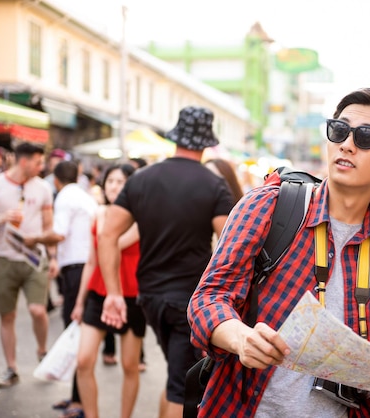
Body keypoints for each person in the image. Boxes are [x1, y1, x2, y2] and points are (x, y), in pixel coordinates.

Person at [187, 88, 370, 417]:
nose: (347, 144)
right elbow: (209, 298)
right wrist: (240, 337)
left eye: (366, 137)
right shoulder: (269, 207)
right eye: (339, 130)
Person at [99, 106, 235, 418]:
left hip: (149, 298)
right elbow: (229, 246)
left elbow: (107, 236)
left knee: (177, 373)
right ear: (206, 143)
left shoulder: (141, 179)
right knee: (181, 386)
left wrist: (114, 294)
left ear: (176, 137)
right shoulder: (214, 186)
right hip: (188, 303)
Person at [23, 160, 98, 417]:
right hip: (81, 267)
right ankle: (76, 398)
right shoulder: (84, 196)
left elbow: (59, 233)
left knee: (75, 332)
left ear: (55, 180)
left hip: (77, 270)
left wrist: (34, 239)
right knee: (76, 332)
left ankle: (79, 402)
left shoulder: (65, 197)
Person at [71, 163, 145, 418]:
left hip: (132, 297)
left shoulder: (139, 218)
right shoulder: (98, 213)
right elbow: (92, 261)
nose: (114, 186)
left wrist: (106, 215)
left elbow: (110, 242)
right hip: (98, 294)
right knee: (83, 361)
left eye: (121, 182)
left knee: (130, 366)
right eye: (111, 181)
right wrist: (79, 302)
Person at [0, 142, 54, 388]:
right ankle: (11, 368)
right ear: (23, 161)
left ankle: (43, 351)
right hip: (4, 258)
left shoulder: (43, 188)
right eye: (38, 162)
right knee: (7, 315)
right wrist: (1, 219)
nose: (42, 166)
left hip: (35, 258)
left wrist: (53, 256)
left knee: (38, 310)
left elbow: (49, 226)